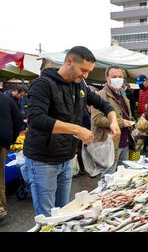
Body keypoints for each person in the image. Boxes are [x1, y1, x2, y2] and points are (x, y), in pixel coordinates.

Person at [23, 46, 121, 217]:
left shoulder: (80, 84)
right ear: (69, 62)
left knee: (64, 211)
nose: (86, 75)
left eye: (89, 71)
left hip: (67, 158)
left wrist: (113, 121)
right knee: (46, 216)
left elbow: (103, 104)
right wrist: (77, 129)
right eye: (83, 70)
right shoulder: (43, 85)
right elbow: (36, 119)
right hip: (42, 161)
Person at [92, 66, 133, 176]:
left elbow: (125, 114)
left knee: (123, 177)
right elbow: (97, 119)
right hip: (110, 144)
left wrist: (132, 122)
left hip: (125, 143)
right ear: (107, 78)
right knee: (108, 178)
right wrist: (121, 122)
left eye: (120, 77)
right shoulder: (101, 95)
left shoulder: (122, 94)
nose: (118, 79)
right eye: (114, 77)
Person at [0, 93, 21, 222]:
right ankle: (1, 207)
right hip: (2, 140)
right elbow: (18, 120)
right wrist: (11, 139)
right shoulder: (7, 99)